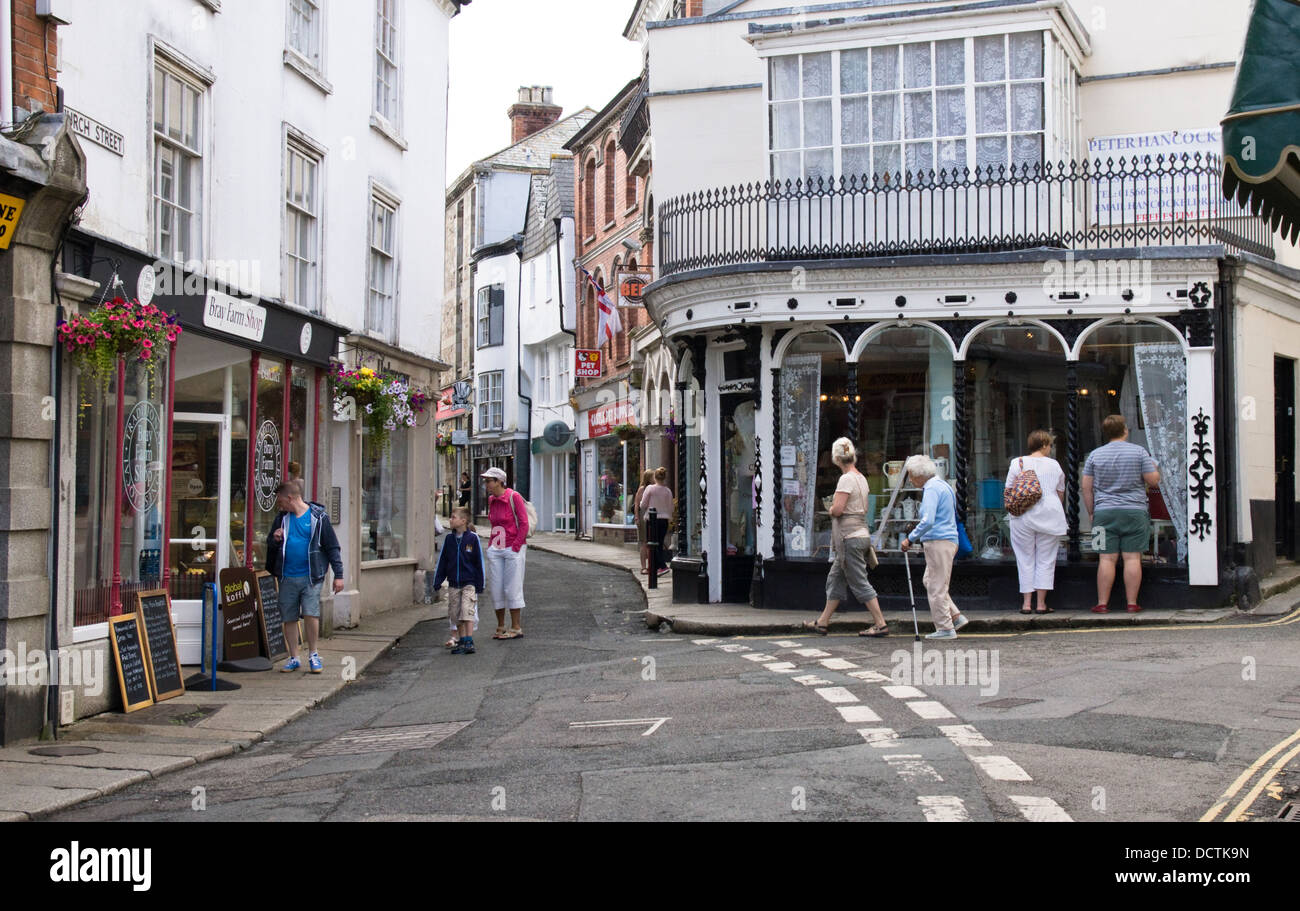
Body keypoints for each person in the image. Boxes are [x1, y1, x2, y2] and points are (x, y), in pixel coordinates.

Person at [801, 438, 890, 637]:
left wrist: (830, 508)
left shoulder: (846, 479)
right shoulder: (861, 478)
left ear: (836, 459)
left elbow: (839, 509)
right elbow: (864, 508)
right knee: (835, 578)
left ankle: (880, 623)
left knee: (859, 581)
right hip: (860, 534)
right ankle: (822, 622)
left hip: (849, 538)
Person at [1082, 414, 1160, 613]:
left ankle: (1102, 603)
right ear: (1125, 430)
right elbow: (1153, 481)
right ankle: (1132, 603)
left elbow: (1086, 488)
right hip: (1134, 512)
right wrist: (1156, 469)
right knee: (1133, 558)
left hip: (1103, 513)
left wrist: (1092, 512)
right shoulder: (1139, 452)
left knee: (1105, 559)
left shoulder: (1094, 455)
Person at [266, 480, 344, 673]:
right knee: (289, 617)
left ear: (289, 498)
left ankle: (313, 654)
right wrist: (275, 539)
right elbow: (270, 543)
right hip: (287, 575)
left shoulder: (318, 517)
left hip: (311, 576)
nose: (279, 504)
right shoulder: (282, 518)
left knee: (311, 614)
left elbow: (332, 547)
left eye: (280, 500)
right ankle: (294, 657)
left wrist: (339, 575)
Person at [900, 454, 968, 640]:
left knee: (936, 586)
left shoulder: (931, 489)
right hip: (946, 540)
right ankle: (955, 616)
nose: (911, 480)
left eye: (911, 476)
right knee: (930, 581)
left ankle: (945, 628)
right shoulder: (943, 485)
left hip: (938, 541)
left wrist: (910, 538)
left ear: (918, 474)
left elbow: (928, 520)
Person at [1005, 430, 1068, 614]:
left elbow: (1009, 489)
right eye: (1050, 445)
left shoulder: (1017, 463)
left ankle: (1026, 604)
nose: (1050, 448)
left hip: (1023, 515)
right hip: (1050, 513)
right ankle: (1041, 604)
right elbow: (1060, 491)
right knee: (1046, 559)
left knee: (1024, 558)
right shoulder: (1054, 465)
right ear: (1044, 445)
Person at [483, 467, 528, 639]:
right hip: (497, 547)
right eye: (486, 481)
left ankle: (516, 627)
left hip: (512, 547)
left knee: (512, 586)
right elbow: (493, 523)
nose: (486, 484)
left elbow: (523, 523)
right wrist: (491, 545)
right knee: (496, 587)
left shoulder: (513, 496)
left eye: (489, 481)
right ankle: (500, 625)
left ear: (499, 481)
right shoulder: (491, 500)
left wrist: (516, 546)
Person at [433, 506, 485, 655]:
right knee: (455, 613)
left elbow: (478, 562)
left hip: (469, 582)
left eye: (453, 517)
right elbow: (443, 561)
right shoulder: (449, 539)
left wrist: (479, 584)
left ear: (463, 520)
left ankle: (469, 640)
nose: (450, 519)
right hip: (454, 583)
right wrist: (438, 580)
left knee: (467, 611)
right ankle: (461, 640)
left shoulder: (472, 538)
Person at [639, 467, 674, 576]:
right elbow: (671, 508)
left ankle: (662, 567)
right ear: (664, 478)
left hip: (652, 520)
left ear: (655, 477)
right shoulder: (668, 491)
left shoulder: (650, 488)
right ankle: (656, 567)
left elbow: (643, 505)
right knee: (659, 544)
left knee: (653, 544)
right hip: (664, 520)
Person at [633, 469, 655, 574]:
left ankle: (651, 566)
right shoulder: (642, 489)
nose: (654, 478)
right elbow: (637, 504)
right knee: (644, 542)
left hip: (652, 516)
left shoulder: (654, 488)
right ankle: (643, 567)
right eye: (653, 477)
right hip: (642, 516)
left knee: (651, 543)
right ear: (649, 478)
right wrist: (636, 517)